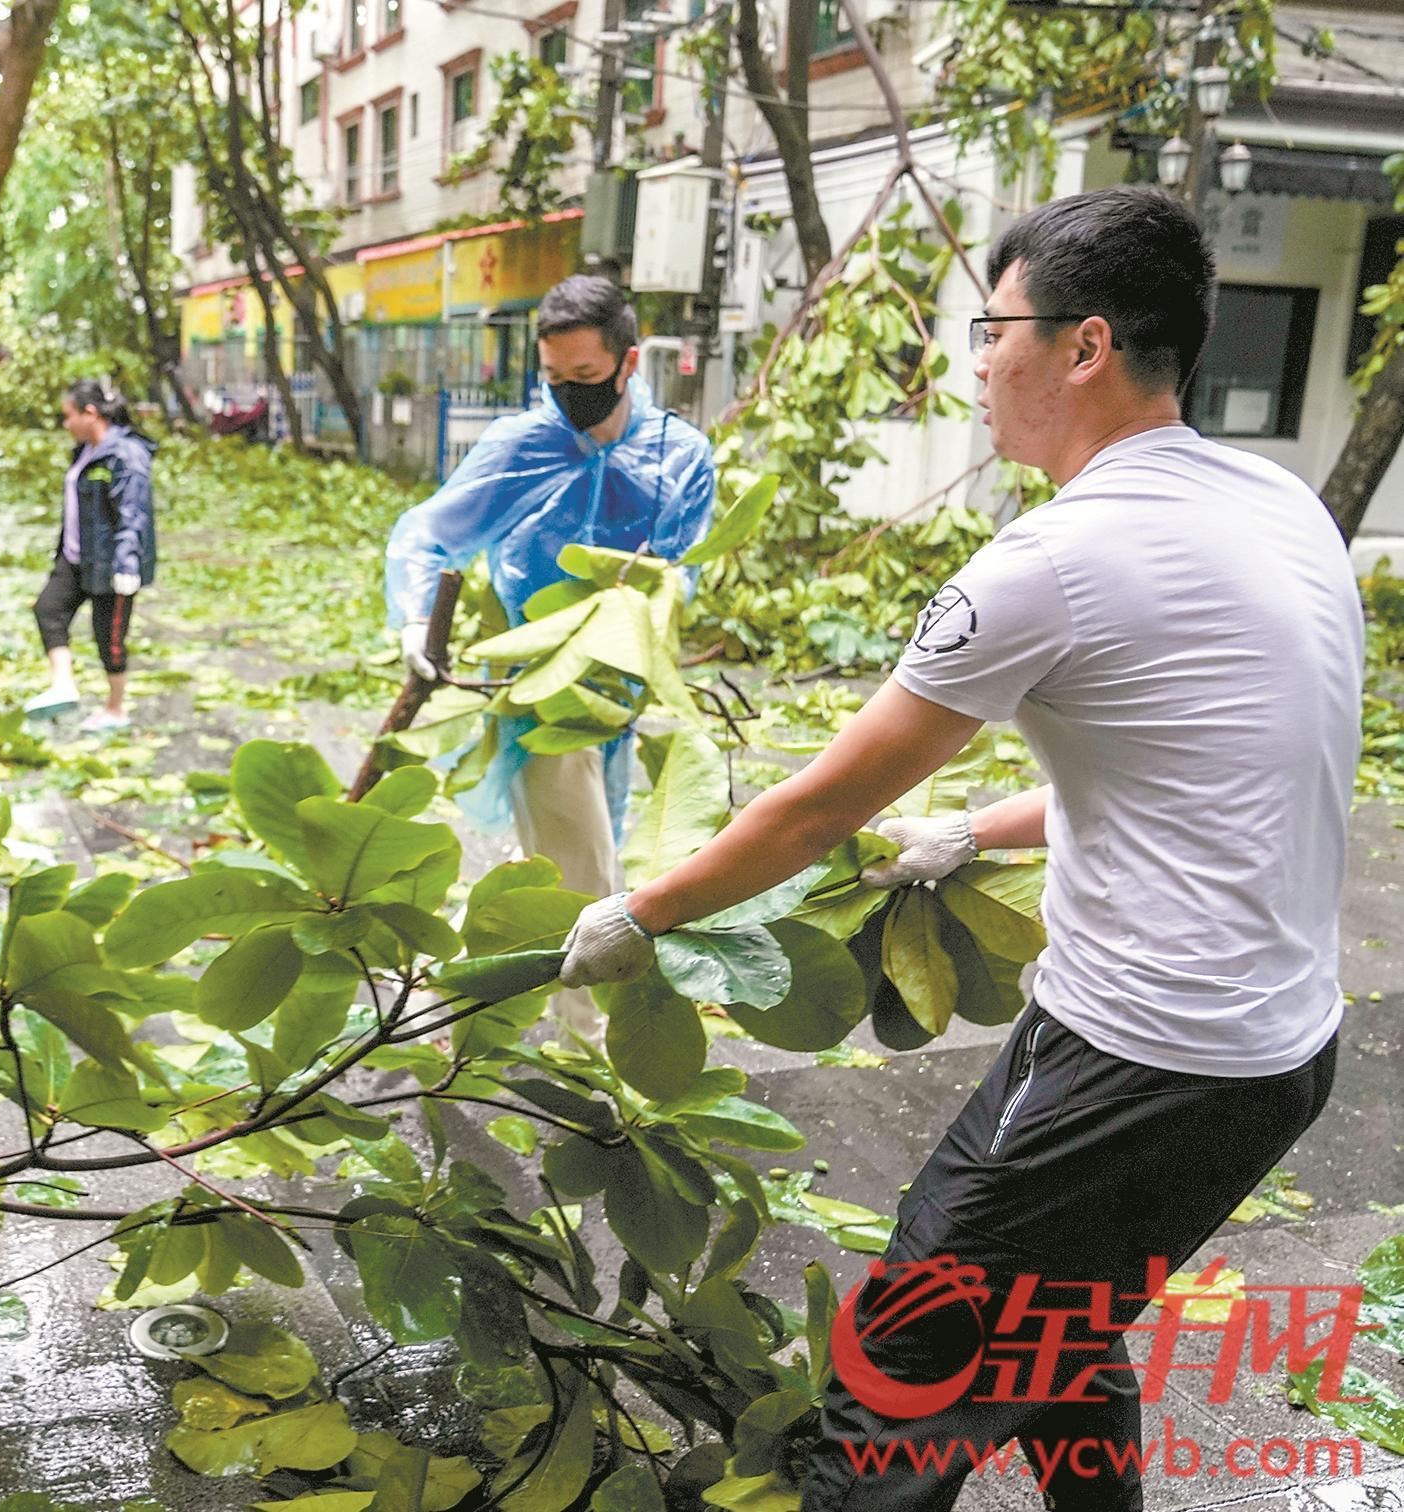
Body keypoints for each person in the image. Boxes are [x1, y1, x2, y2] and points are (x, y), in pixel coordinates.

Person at [559, 187, 1361, 1509]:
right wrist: (968, 830)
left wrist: (637, 914)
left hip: (1147, 1058)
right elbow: (1209, 774)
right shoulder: (1278, 508)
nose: (977, 362)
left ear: (1086, 346)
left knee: (892, 1393)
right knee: (1060, 1326)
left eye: (994, 329)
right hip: (1275, 1054)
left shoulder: (1050, 561)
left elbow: (813, 807)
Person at [384, 273, 716, 1035]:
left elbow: (681, 577)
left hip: (620, 686)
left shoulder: (680, 456)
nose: (569, 395)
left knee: (564, 846)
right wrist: (413, 623)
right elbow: (428, 534)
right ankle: (589, 1036)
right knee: (587, 867)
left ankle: (455, 982)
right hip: (537, 683)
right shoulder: (522, 445)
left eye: (588, 379)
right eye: (554, 379)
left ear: (630, 364)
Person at [26, 380, 157, 733]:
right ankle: (63, 685)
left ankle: (115, 709)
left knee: (109, 638)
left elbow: (134, 513)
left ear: (90, 413)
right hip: (75, 557)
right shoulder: (83, 452)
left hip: (112, 563)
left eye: (69, 416)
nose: (65, 424)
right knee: (48, 610)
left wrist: (127, 563)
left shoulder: (125, 455)